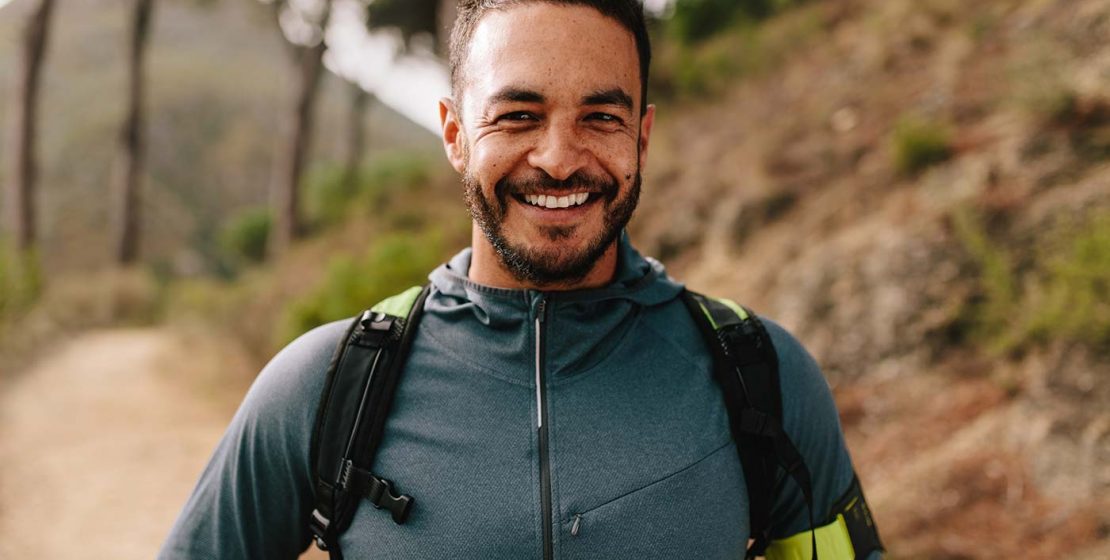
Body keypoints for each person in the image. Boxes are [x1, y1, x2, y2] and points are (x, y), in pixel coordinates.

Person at [160, 1, 881, 558]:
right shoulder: (325, 387)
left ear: (643, 137)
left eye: (601, 116)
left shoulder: (763, 377)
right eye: (518, 115)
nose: (560, 158)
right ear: (454, 134)